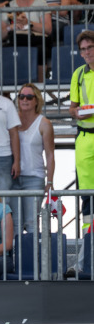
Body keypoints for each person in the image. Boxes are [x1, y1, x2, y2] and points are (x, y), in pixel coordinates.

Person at [12, 83, 56, 234]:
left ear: (36, 100)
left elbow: (50, 154)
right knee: (15, 223)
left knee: (31, 222)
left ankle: (33, 257)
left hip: (34, 177)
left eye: (29, 97)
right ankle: (16, 258)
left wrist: (50, 181)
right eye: (21, 96)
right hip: (13, 176)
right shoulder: (11, 120)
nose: (25, 100)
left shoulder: (44, 123)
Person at [0, 0, 54, 82]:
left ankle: (39, 86)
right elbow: (0, 35)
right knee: (3, 51)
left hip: (37, 41)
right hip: (17, 41)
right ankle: (6, 92)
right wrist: (12, 27)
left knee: (41, 50)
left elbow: (48, 29)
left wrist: (28, 23)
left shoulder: (41, 3)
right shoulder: (9, 6)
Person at [68, 30, 94, 227]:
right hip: (85, 137)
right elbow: (72, 107)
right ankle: (89, 237)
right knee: (86, 191)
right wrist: (77, 113)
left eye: (90, 47)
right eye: (83, 49)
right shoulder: (78, 74)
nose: (87, 52)